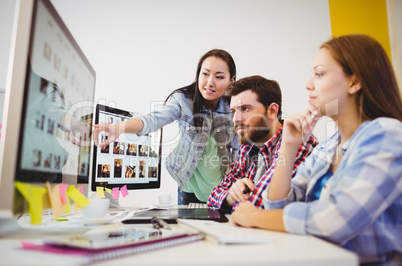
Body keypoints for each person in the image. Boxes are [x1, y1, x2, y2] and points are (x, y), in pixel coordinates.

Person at [231, 34, 402, 265]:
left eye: (319, 74)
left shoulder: (387, 134)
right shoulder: (329, 147)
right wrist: (289, 146)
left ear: (354, 82)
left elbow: (335, 221)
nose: (308, 84)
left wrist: (254, 216)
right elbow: (278, 206)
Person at [93, 49, 239, 204]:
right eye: (205, 74)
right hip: (189, 188)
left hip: (222, 188)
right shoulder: (183, 100)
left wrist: (236, 184)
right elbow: (154, 119)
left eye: (219, 77)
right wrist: (120, 127)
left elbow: (239, 150)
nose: (210, 82)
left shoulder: (234, 108)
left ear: (231, 80)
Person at [208, 75, 318, 211]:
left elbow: (258, 206)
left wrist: (236, 199)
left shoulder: (297, 141)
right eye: (233, 111)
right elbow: (213, 197)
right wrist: (230, 196)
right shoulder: (246, 148)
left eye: (245, 109)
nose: (236, 119)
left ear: (272, 111)